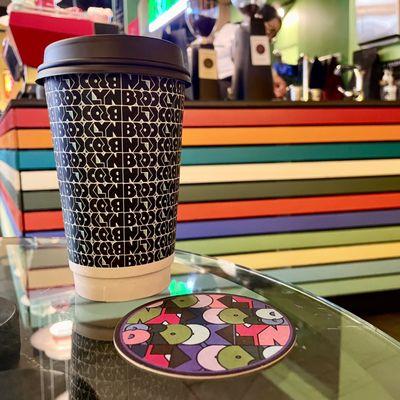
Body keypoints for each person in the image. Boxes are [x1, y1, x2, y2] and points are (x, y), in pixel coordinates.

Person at [214, 3, 287, 98]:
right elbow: (242, 57)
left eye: (274, 33)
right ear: (259, 18)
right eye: (270, 28)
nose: (269, 36)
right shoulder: (235, 30)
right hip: (225, 84)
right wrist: (272, 77)